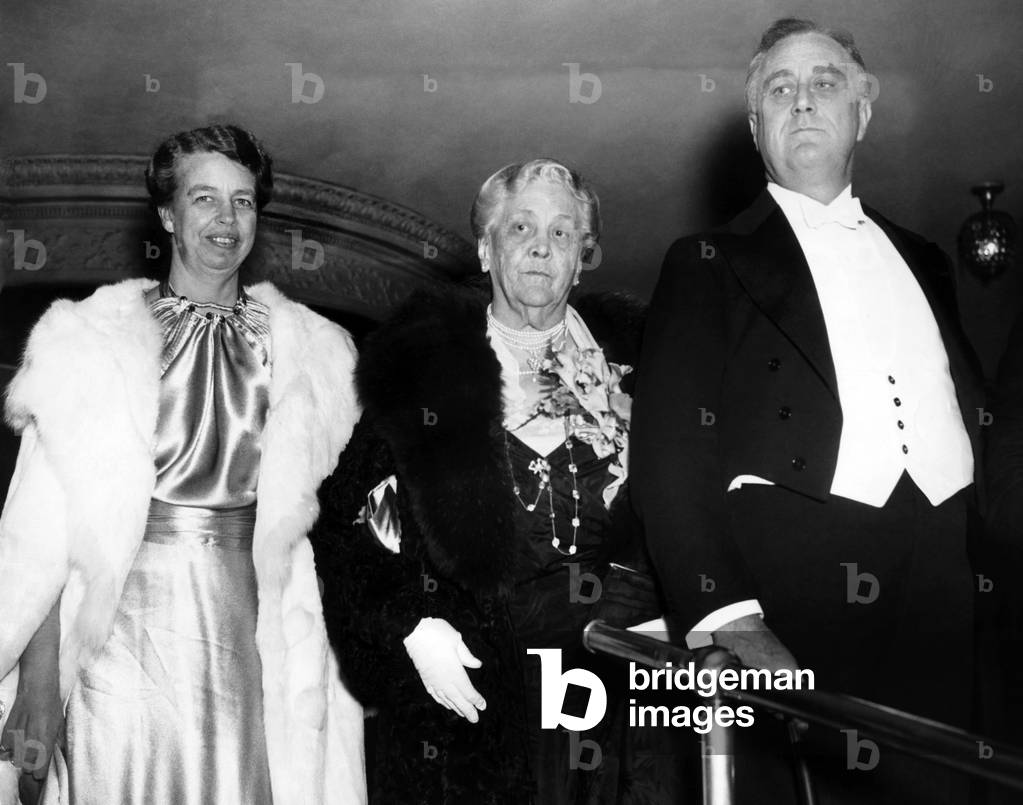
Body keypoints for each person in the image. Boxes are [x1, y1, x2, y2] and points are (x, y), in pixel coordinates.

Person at [631, 19, 984, 804]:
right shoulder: (704, 261)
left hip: (949, 583)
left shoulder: (926, 259)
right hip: (798, 585)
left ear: (863, 110)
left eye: (824, 82)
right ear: (754, 124)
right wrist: (728, 615)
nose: (801, 100)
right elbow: (668, 454)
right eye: (778, 88)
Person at [0, 124, 366, 805]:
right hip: (117, 644)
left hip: (256, 638)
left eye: (243, 201)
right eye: (205, 199)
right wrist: (39, 682)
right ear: (168, 215)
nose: (227, 219)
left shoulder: (315, 355)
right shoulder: (88, 342)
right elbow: (40, 534)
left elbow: (350, 530)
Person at [308, 159, 672, 804]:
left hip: (613, 679)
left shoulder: (648, 369)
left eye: (562, 233)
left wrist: (670, 604)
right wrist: (411, 622)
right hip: (472, 691)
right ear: (486, 248)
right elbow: (341, 526)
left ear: (581, 260)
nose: (541, 247)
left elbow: (690, 512)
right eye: (521, 227)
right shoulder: (420, 373)